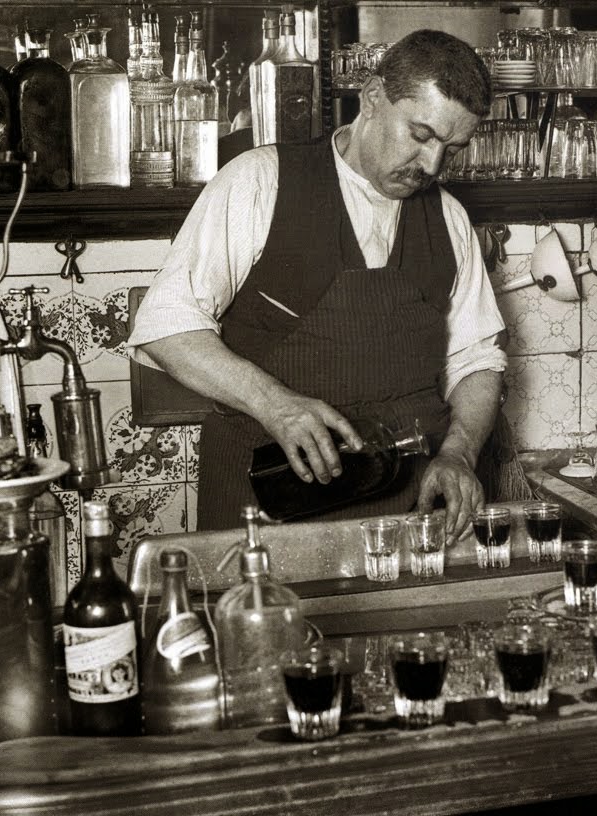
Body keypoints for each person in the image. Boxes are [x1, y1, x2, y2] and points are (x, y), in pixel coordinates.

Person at [128, 30, 507, 539]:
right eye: (421, 135)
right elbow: (166, 325)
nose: (432, 165)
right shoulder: (260, 181)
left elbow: (476, 360)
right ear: (372, 98)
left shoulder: (450, 218)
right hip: (266, 508)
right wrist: (275, 404)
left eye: (452, 149)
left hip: (407, 514)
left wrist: (459, 452)